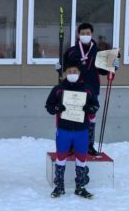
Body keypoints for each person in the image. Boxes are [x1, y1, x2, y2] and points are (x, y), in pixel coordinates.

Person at [57, 23, 119, 155]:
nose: (85, 36)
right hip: (73, 89)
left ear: (91, 34)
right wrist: (59, 68)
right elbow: (64, 70)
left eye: (88, 33)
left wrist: (113, 65)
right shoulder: (72, 51)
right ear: (79, 35)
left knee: (91, 116)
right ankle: (71, 146)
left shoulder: (98, 52)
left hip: (91, 89)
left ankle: (89, 144)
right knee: (73, 116)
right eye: (83, 33)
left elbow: (103, 72)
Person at [46, 60, 99, 199]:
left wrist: (90, 109)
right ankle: (59, 186)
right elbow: (49, 106)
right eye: (69, 72)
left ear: (79, 73)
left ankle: (80, 187)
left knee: (82, 158)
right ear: (64, 74)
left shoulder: (87, 89)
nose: (72, 74)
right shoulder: (58, 89)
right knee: (61, 158)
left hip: (82, 130)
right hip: (64, 130)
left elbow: (95, 105)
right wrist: (58, 108)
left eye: (74, 72)